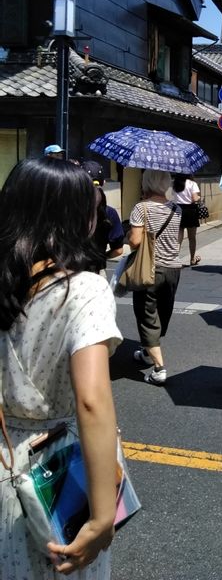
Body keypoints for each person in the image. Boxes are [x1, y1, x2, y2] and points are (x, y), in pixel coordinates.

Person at [0, 158, 122, 578]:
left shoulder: (5, 282)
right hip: (58, 467)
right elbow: (91, 401)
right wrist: (102, 517)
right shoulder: (83, 287)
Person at [128, 169, 182, 385]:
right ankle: (147, 351)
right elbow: (177, 241)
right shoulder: (176, 209)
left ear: (147, 182)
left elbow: (135, 242)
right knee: (162, 311)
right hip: (173, 268)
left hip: (149, 268)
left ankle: (159, 369)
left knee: (147, 314)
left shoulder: (141, 208)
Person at [172, 174, 202, 266]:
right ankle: (192, 259)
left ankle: (175, 258)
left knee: (178, 237)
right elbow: (194, 198)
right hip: (190, 211)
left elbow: (170, 197)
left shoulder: (174, 184)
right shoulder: (192, 184)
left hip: (177, 210)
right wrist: (199, 198)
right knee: (192, 237)